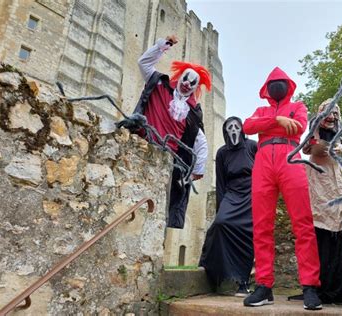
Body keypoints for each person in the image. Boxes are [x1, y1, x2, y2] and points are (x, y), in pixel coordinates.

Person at [242, 67, 322, 310]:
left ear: (289, 86)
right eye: (273, 82)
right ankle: (264, 286)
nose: (277, 86)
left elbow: (298, 127)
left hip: (291, 158)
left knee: (303, 222)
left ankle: (310, 287)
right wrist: (276, 120)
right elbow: (247, 126)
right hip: (263, 161)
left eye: (281, 82)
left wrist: (267, 126)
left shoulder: (298, 106)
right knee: (261, 225)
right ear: (267, 88)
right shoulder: (262, 110)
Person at [134, 35, 211, 229]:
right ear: (180, 77)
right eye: (186, 78)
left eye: (192, 83)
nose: (187, 84)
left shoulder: (192, 112)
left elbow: (200, 142)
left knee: (155, 210)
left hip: (166, 161)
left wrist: (195, 172)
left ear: (195, 87)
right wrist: (162, 46)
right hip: (141, 147)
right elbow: (143, 63)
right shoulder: (160, 85)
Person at [302, 99, 342, 304]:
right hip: (319, 179)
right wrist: (319, 146)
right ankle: (317, 288)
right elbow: (307, 148)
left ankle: (336, 289)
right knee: (320, 231)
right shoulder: (314, 128)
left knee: (338, 229)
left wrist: (340, 147)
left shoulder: (338, 130)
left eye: (334, 113)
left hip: (336, 178)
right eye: (327, 113)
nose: (331, 117)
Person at [199, 116, 257, 297]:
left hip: (251, 194)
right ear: (226, 131)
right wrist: (220, 207)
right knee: (220, 224)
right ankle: (215, 271)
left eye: (236, 126)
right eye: (229, 127)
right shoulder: (222, 152)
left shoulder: (252, 146)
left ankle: (243, 282)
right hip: (232, 194)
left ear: (241, 129)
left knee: (249, 235)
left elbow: (264, 169)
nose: (233, 130)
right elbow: (221, 182)